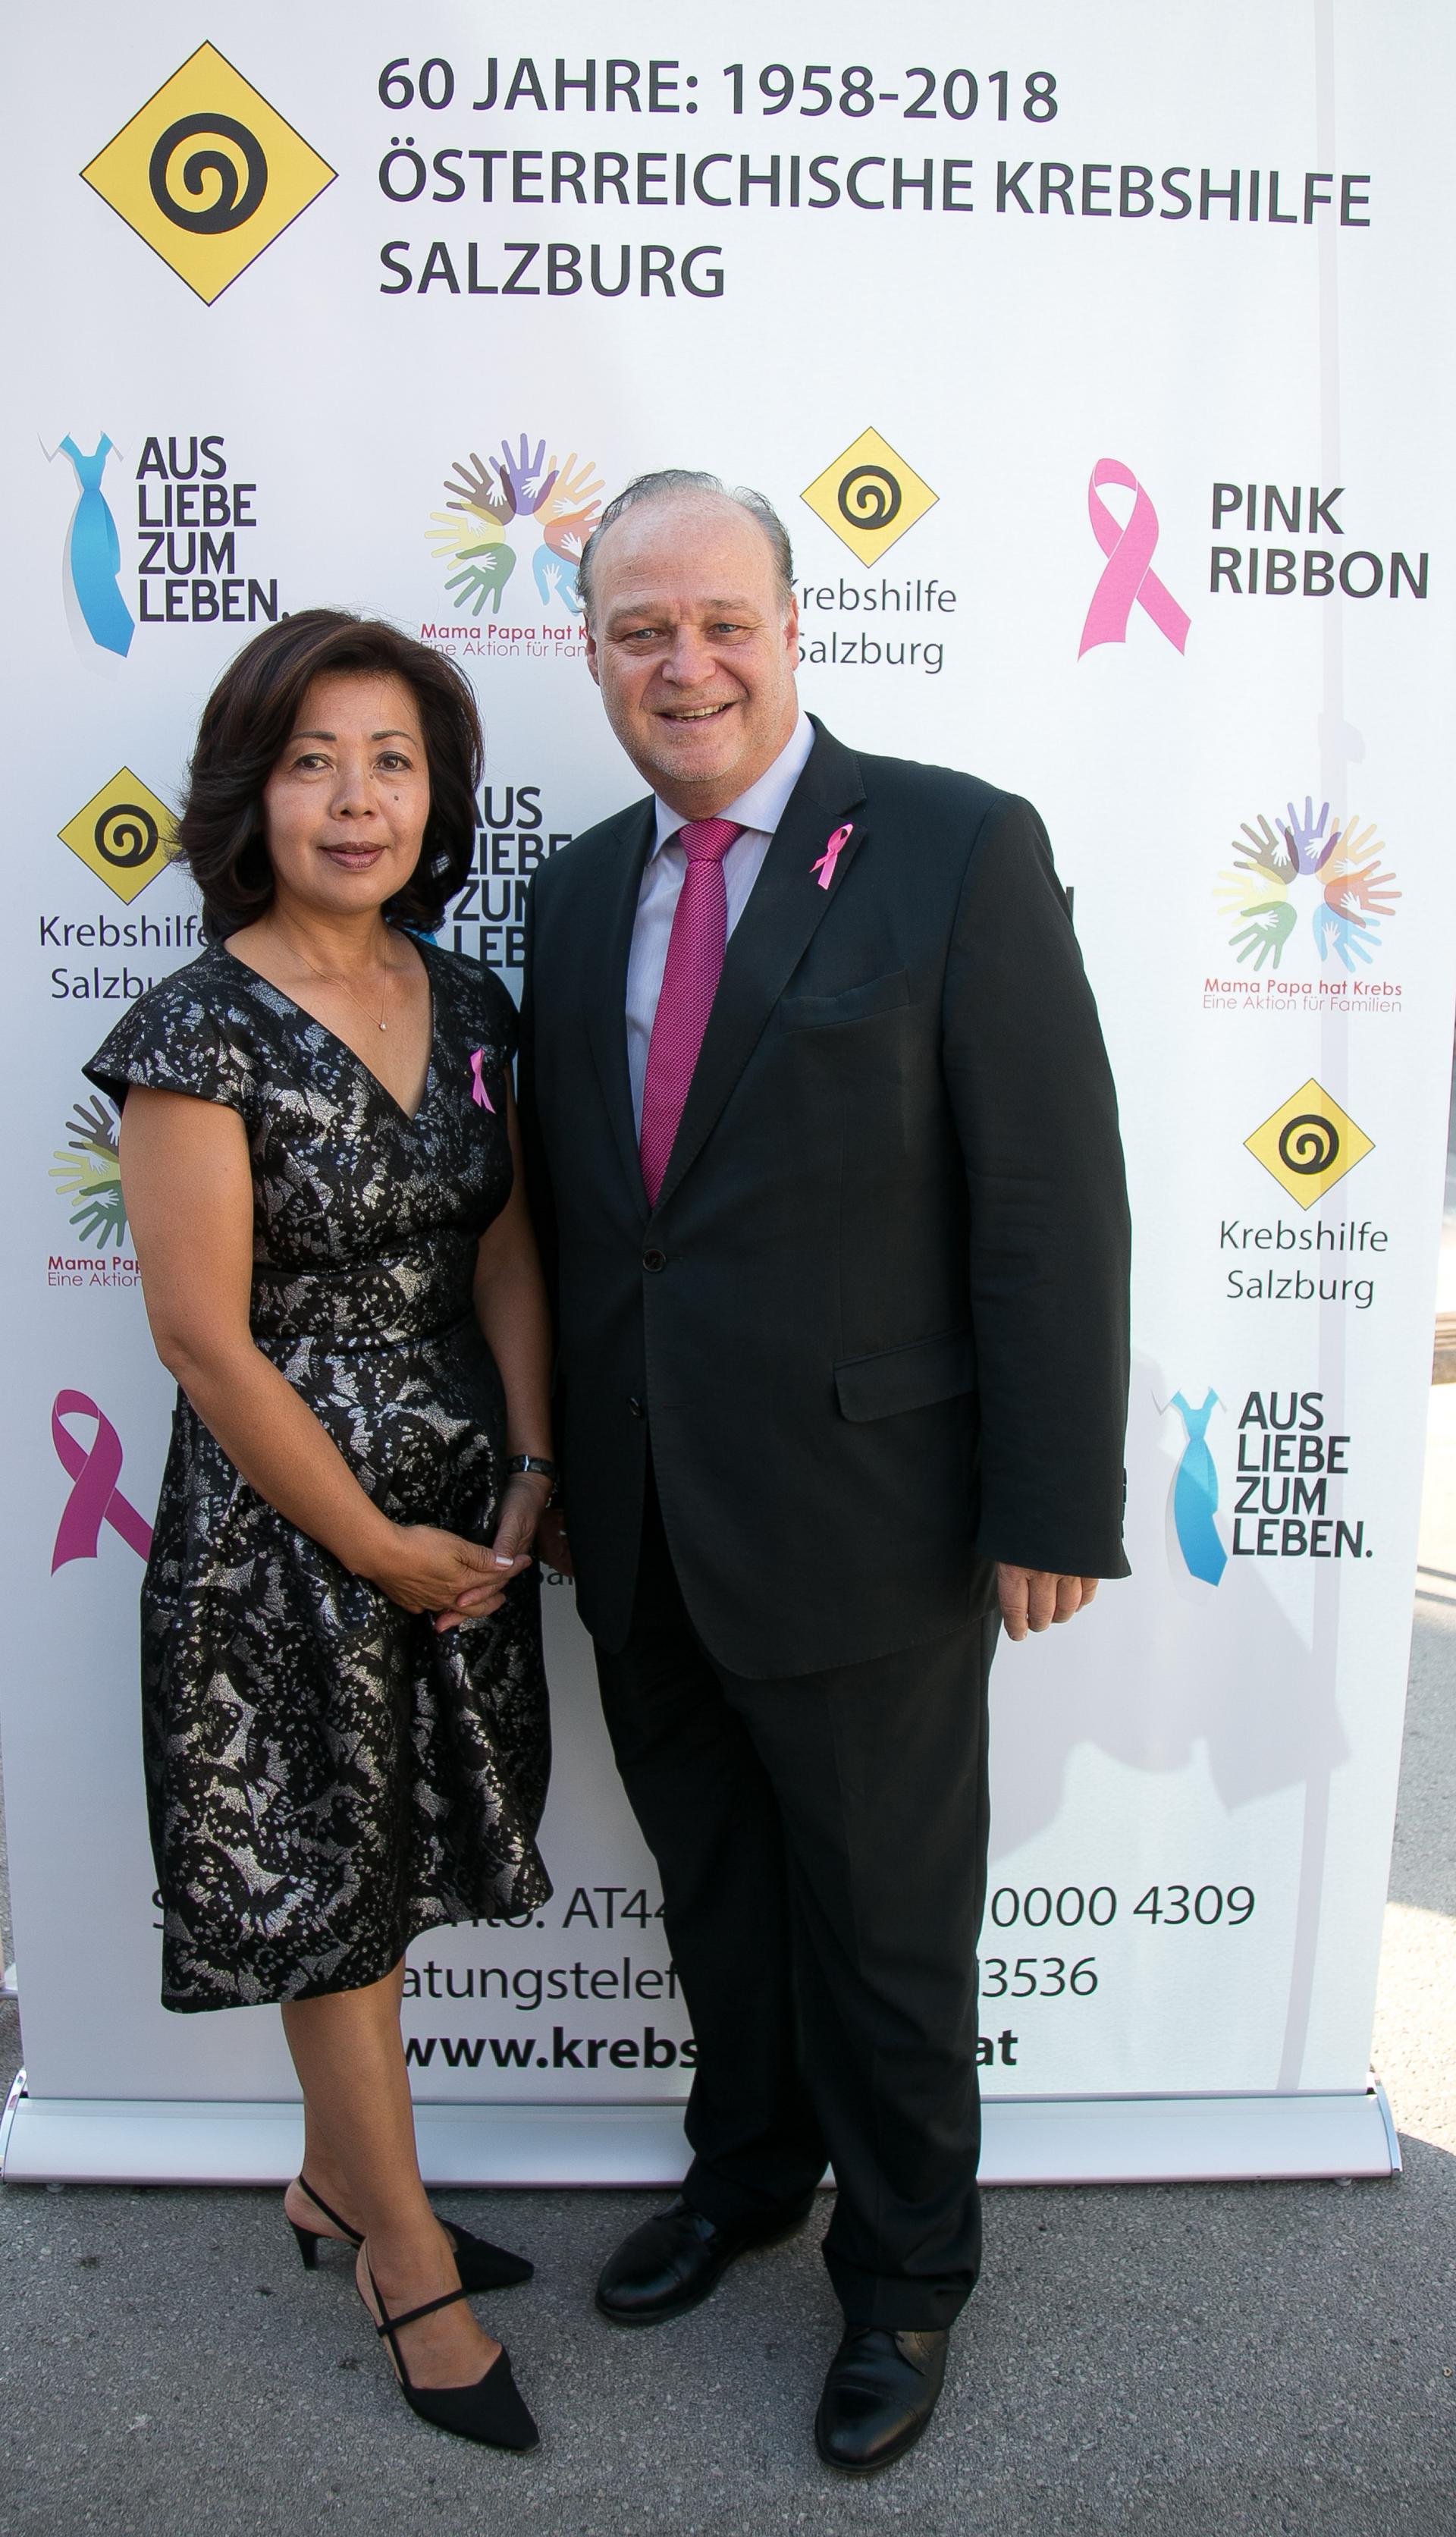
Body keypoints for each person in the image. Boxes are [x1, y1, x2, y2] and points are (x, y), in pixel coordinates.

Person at [514, 473, 1131, 2474]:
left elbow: (1048, 1195)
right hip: (643, 1514)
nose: (683, 662)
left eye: (722, 622)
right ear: (592, 653)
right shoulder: (576, 889)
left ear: (794, 629)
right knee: (716, 1891)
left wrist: (1052, 1498)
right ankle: (749, 2174)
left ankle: (909, 2276)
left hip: (874, 1518)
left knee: (884, 1929)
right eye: (640, 630)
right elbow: (597, 1218)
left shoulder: (955, 844)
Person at [86, 611, 557, 2454]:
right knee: (332, 1894)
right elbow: (202, 1337)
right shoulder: (195, 1029)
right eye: (312, 762)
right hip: (284, 1535)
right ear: (252, 794)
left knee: (394, 1856)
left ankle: (331, 2179)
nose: (356, 799)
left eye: (391, 762)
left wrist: (531, 1464)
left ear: (435, 797)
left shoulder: (477, 1000)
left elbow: (506, 1244)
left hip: (460, 1507)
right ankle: (406, 2260)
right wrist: (370, 1539)